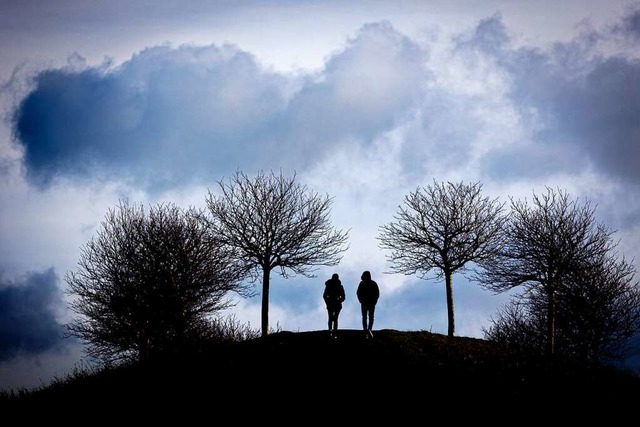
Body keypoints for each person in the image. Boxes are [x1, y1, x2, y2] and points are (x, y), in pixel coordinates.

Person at [356, 270, 379, 338]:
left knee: (369, 317)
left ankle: (369, 329)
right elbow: (358, 293)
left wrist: (374, 301)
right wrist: (361, 300)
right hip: (365, 302)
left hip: (370, 303)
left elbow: (377, 294)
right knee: (366, 317)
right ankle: (366, 330)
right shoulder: (362, 283)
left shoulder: (372, 283)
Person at [323, 273, 345, 337]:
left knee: (333, 318)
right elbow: (324, 296)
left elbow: (343, 296)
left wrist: (339, 300)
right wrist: (327, 302)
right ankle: (331, 331)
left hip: (336, 304)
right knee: (332, 318)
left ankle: (333, 331)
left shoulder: (338, 286)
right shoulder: (330, 285)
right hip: (331, 303)